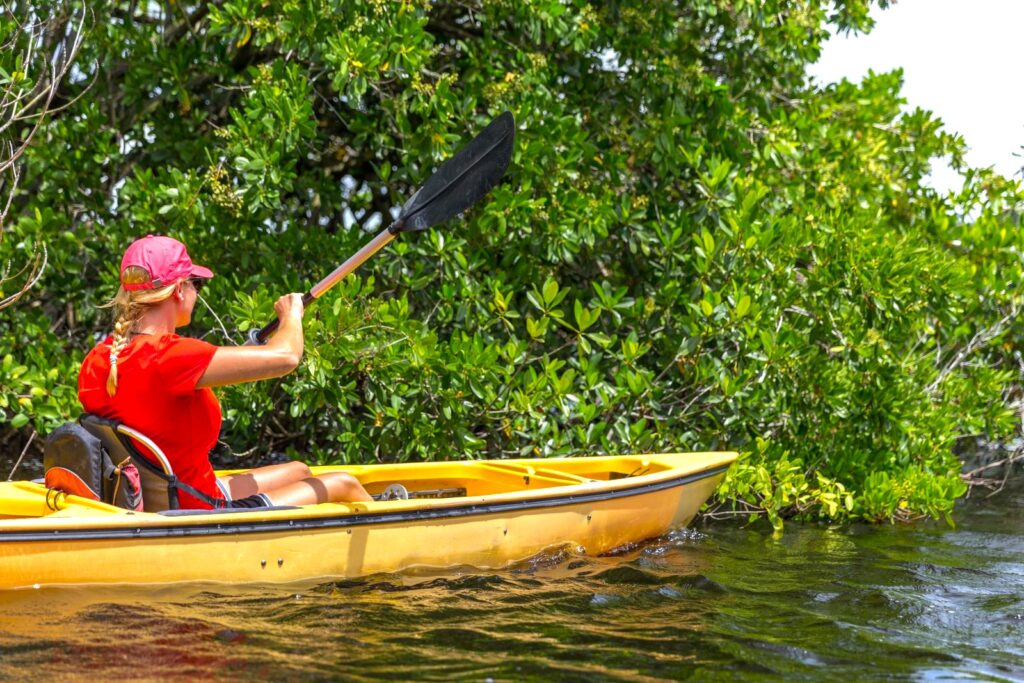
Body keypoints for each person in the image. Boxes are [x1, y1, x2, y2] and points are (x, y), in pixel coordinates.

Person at [78, 234, 372, 509]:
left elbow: (158, 398)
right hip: (201, 509)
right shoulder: (171, 355)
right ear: (179, 290)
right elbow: (287, 356)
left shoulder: (100, 359)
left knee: (300, 470)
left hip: (165, 496)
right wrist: (292, 314)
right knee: (344, 484)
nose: (196, 291)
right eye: (196, 284)